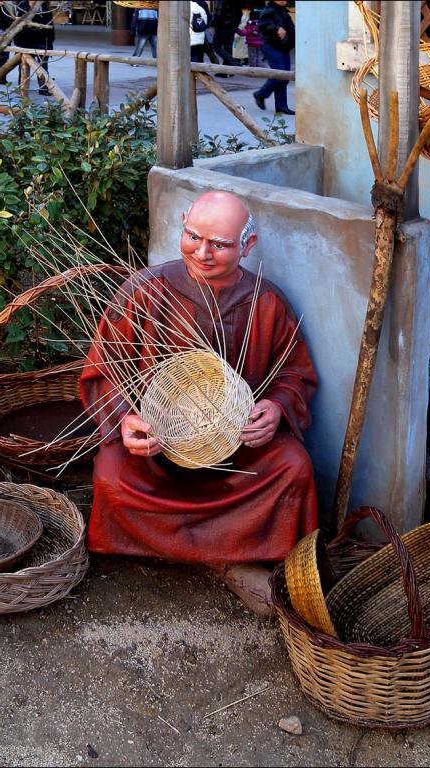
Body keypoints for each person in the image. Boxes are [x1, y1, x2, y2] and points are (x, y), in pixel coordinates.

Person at [79, 191, 319, 618]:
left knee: (294, 466)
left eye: (220, 245)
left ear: (247, 245)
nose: (202, 253)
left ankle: (190, 547)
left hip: (237, 454)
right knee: (112, 475)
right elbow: (104, 369)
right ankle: (224, 557)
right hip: (159, 453)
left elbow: (295, 373)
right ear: (184, 223)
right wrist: (126, 422)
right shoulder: (144, 291)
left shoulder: (266, 301)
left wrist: (277, 407)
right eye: (193, 236)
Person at [253, 0, 295, 115]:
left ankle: (281, 106)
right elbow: (263, 24)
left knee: (284, 77)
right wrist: (277, 28)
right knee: (279, 74)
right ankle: (260, 94)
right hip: (272, 46)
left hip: (283, 47)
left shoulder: (283, 11)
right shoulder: (269, 10)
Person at [210, 0, 242, 72]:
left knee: (217, 47)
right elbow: (240, 13)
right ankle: (227, 71)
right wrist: (236, 25)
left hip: (222, 26)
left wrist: (212, 26)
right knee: (228, 47)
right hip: (232, 26)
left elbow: (218, 12)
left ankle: (234, 63)